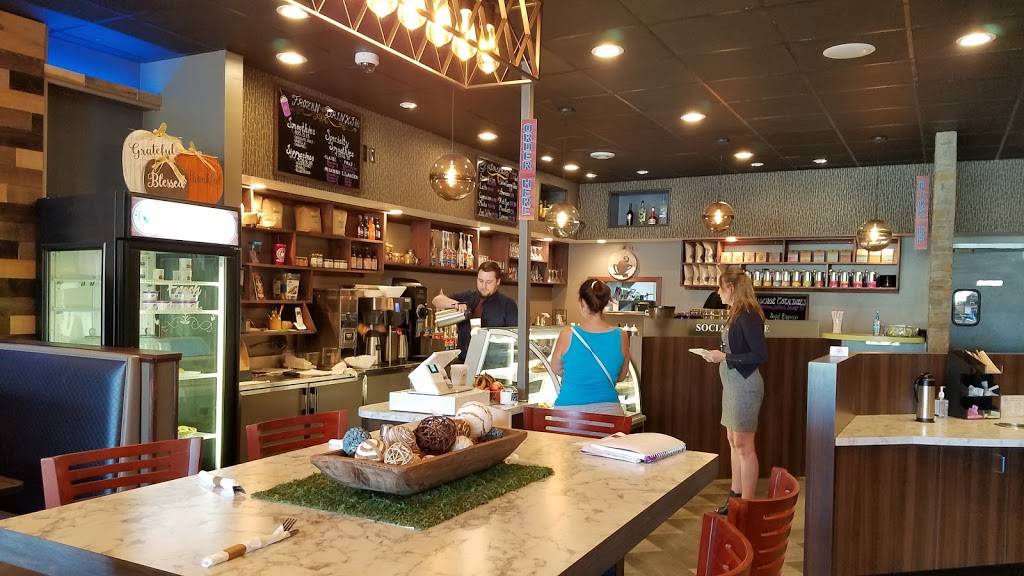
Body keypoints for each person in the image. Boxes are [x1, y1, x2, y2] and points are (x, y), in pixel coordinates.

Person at [701, 267, 767, 514]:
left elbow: (759, 355)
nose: (718, 293)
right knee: (733, 441)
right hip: (732, 383)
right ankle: (735, 496)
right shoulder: (736, 313)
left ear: (730, 288)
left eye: (720, 288)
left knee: (744, 445)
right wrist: (719, 357)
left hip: (745, 384)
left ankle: (746, 507)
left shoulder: (749, 314)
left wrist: (724, 357)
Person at [549, 279, 630, 415]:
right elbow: (622, 376)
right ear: (606, 303)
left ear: (582, 302)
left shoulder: (568, 333)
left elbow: (555, 368)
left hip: (569, 413)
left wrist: (578, 374)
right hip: (610, 413)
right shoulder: (621, 335)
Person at [431, 261, 517, 362]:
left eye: (489, 282)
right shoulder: (468, 297)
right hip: (464, 362)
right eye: (480, 281)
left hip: (493, 364)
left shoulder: (508, 305)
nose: (484, 286)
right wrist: (456, 304)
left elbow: (515, 338)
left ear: (498, 282)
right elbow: (436, 301)